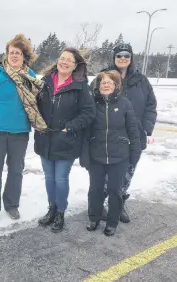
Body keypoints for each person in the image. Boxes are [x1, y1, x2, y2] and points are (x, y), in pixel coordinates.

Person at [0, 34, 47, 225]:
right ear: (6, 55)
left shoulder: (30, 77)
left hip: (20, 133)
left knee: (16, 170)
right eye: (11, 52)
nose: (14, 56)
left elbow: (38, 103)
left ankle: (12, 205)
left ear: (24, 56)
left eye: (18, 53)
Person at [90, 43, 157, 223]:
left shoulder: (141, 80)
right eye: (119, 55)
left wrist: (145, 128)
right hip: (107, 138)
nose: (122, 59)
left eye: (126, 55)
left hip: (134, 137)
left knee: (126, 175)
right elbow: (90, 101)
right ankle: (100, 205)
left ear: (131, 58)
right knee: (105, 176)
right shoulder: (102, 77)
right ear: (114, 57)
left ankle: (117, 206)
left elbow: (151, 105)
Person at [35, 48, 96, 233]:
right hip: (45, 138)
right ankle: (51, 208)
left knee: (61, 179)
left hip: (66, 140)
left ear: (75, 65)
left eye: (69, 60)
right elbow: (34, 105)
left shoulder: (80, 86)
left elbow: (89, 113)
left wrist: (69, 127)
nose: (64, 62)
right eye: (62, 58)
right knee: (49, 177)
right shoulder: (44, 82)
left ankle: (60, 211)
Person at [81, 70, 141, 236]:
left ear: (115, 85)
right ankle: (94, 218)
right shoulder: (92, 103)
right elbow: (85, 133)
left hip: (120, 156)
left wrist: (134, 155)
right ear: (98, 85)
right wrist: (84, 156)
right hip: (96, 156)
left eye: (109, 82)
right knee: (95, 189)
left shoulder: (125, 104)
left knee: (116, 190)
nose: (105, 85)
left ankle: (112, 222)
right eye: (102, 82)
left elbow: (133, 131)